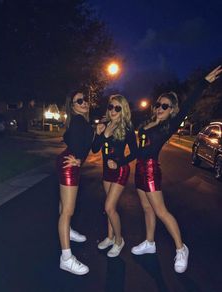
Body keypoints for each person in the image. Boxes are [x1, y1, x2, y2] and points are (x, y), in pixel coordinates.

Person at [132, 65, 222, 273]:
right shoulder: (146, 124)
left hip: (151, 170)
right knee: (147, 208)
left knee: (161, 211)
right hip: (139, 169)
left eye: (165, 106)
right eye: (158, 105)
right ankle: (149, 242)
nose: (160, 109)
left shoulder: (168, 126)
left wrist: (204, 82)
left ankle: (181, 249)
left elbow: (188, 105)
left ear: (172, 110)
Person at [92, 95, 137, 257]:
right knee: (109, 207)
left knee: (109, 207)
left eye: (117, 108)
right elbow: (95, 149)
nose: (113, 110)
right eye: (111, 107)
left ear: (123, 110)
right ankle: (110, 237)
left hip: (120, 170)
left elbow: (135, 152)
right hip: (106, 171)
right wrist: (100, 135)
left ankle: (119, 240)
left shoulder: (127, 128)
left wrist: (119, 163)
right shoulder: (104, 125)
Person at [57, 90, 94, 275]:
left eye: (85, 99)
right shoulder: (79, 121)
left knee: (64, 207)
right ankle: (66, 258)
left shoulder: (83, 122)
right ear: (73, 106)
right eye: (79, 101)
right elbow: (72, 139)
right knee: (68, 210)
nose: (84, 102)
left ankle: (68, 230)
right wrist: (78, 158)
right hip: (69, 165)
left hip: (69, 162)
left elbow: (85, 145)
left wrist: (80, 157)